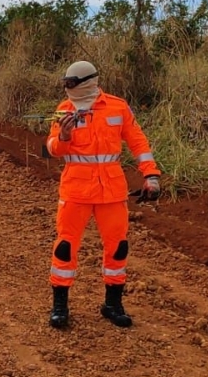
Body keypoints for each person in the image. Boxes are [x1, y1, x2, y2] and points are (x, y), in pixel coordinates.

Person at [45, 60, 161, 328]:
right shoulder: (64, 110)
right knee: (65, 247)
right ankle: (60, 306)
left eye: (71, 84)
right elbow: (52, 149)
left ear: (86, 82)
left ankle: (113, 304)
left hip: (111, 191)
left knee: (117, 247)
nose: (67, 89)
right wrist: (63, 136)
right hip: (76, 190)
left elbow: (138, 141)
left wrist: (151, 174)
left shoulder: (117, 107)